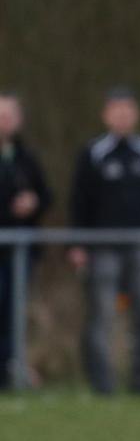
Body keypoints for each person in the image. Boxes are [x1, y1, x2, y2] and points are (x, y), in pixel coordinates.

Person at [68, 87, 140, 395]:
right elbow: (78, 202)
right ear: (106, 114)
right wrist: (78, 244)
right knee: (102, 316)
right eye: (116, 109)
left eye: (128, 109)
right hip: (101, 248)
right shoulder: (93, 154)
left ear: (135, 114)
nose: (123, 115)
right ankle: (102, 384)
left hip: (139, 247)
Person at [0, 92, 52, 389]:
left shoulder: (27, 159)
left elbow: (47, 194)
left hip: (21, 254)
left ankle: (9, 373)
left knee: (13, 315)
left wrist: (34, 201)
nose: (3, 121)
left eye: (8, 115)